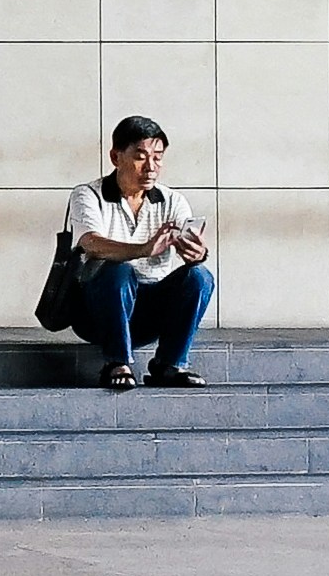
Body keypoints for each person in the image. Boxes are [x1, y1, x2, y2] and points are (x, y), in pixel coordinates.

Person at [59, 115, 214, 389]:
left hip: (147, 313)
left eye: (158, 157)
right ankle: (116, 362)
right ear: (116, 157)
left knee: (200, 276)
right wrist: (142, 249)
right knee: (117, 270)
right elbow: (90, 243)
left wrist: (196, 254)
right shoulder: (87, 195)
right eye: (141, 157)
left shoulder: (173, 201)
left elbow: (191, 251)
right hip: (96, 312)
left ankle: (169, 365)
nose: (151, 167)